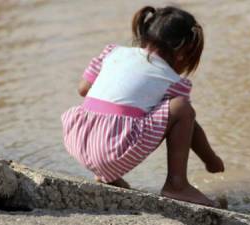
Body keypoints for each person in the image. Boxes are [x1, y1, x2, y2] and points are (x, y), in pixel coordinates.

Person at [61, 5, 224, 207]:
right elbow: (188, 122)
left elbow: (83, 89)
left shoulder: (112, 52)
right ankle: (177, 184)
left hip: (77, 140)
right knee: (181, 108)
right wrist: (211, 160)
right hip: (111, 150)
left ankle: (106, 175)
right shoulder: (174, 81)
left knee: (105, 109)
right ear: (183, 52)